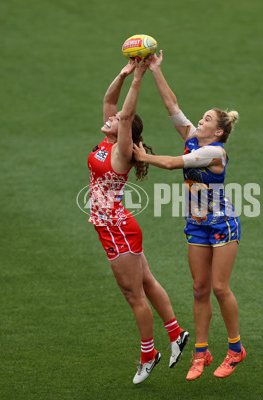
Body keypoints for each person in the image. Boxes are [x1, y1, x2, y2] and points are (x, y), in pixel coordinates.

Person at [132, 52, 245, 381]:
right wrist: (155, 70)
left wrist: (142, 156)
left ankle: (236, 349)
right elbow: (172, 106)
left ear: (219, 131)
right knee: (199, 288)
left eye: (207, 118)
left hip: (223, 224)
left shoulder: (214, 152)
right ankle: (201, 352)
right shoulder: (195, 140)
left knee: (220, 288)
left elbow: (170, 164)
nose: (200, 120)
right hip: (197, 224)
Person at [88, 59, 189, 384]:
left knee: (134, 296)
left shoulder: (120, 151)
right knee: (145, 281)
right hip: (117, 226)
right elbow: (109, 103)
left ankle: (149, 355)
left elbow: (126, 114)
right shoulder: (108, 141)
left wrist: (140, 77)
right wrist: (123, 73)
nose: (111, 118)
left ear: (125, 132)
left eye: (117, 121)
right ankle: (176, 334)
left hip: (116, 230)